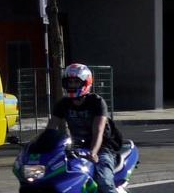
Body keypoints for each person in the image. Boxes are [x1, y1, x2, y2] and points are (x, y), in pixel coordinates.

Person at [46, 63, 125, 193]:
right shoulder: (63, 103)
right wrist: (41, 146)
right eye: (69, 82)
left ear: (85, 83)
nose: (72, 86)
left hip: (102, 147)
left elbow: (98, 132)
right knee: (56, 176)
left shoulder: (97, 102)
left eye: (76, 82)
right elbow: (51, 128)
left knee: (104, 181)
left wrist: (93, 153)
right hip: (77, 147)